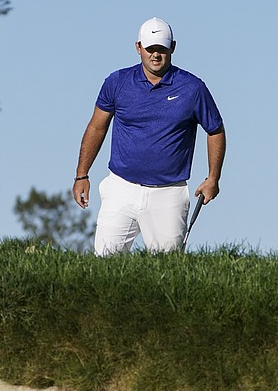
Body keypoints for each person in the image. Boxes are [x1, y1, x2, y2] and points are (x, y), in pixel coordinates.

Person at [72, 17, 226, 255]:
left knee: (167, 270)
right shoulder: (117, 82)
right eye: (150, 48)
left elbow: (215, 130)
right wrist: (82, 174)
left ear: (172, 48)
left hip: (169, 193)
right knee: (104, 262)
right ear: (138, 47)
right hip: (121, 187)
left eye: (162, 49)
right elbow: (96, 127)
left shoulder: (193, 88)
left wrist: (212, 178)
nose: (156, 55)